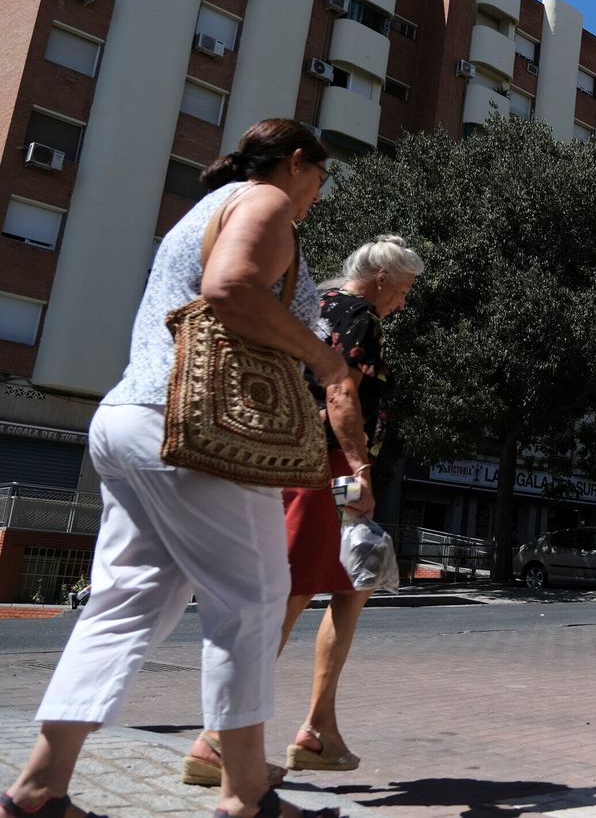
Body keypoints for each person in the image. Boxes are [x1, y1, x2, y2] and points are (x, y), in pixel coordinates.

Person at [5, 120, 344, 818]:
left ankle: (39, 786)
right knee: (252, 597)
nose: (316, 195)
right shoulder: (266, 201)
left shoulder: (202, 210)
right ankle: (246, 793)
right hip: (196, 434)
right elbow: (233, 289)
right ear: (299, 162)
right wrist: (322, 357)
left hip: (132, 418)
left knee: (125, 606)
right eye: (320, 178)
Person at [282, 237, 421, 773]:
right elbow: (341, 393)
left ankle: (319, 730)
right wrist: (360, 468)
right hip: (329, 464)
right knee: (295, 586)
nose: (403, 303)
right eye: (404, 290)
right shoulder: (360, 314)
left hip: (297, 456)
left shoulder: (314, 302)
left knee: (350, 584)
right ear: (383, 277)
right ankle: (221, 736)